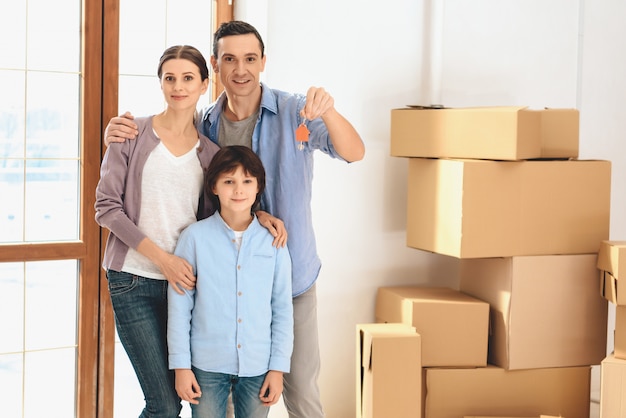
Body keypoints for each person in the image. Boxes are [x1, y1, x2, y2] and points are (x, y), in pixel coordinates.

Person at [104, 20, 365, 418]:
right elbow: (199, 191)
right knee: (207, 402)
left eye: (249, 58)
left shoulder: (296, 111)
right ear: (217, 66)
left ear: (263, 62)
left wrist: (329, 112)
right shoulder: (206, 124)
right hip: (216, 284)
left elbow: (354, 152)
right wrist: (117, 132)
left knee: (302, 396)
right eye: (229, 59)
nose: (240, 69)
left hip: (288, 276)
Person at [95, 44, 284, 418]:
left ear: (203, 84)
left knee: (191, 394)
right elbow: (106, 207)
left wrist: (259, 216)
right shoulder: (131, 135)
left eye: (187, 78)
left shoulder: (210, 153)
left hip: (186, 284)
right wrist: (163, 259)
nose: (177, 87)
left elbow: (230, 197)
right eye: (169, 78)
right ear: (160, 84)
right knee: (163, 404)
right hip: (133, 279)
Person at [168, 145, 293, 418]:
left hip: (259, 367)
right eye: (229, 181)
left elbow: (282, 308)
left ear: (258, 186)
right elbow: (179, 308)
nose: (238, 190)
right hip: (206, 366)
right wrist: (181, 366)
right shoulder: (194, 238)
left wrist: (278, 368)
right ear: (214, 186)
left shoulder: (274, 241)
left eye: (247, 181)